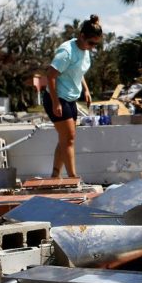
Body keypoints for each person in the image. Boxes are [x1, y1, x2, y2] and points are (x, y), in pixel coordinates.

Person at [44, 15, 103, 180]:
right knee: (69, 138)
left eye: (95, 45)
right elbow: (50, 75)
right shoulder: (67, 51)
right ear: (81, 36)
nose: (92, 47)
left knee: (65, 138)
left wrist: (86, 89)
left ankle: (55, 175)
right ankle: (72, 178)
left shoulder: (84, 50)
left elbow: (78, 71)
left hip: (70, 98)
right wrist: (56, 102)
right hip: (57, 97)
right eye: (90, 43)